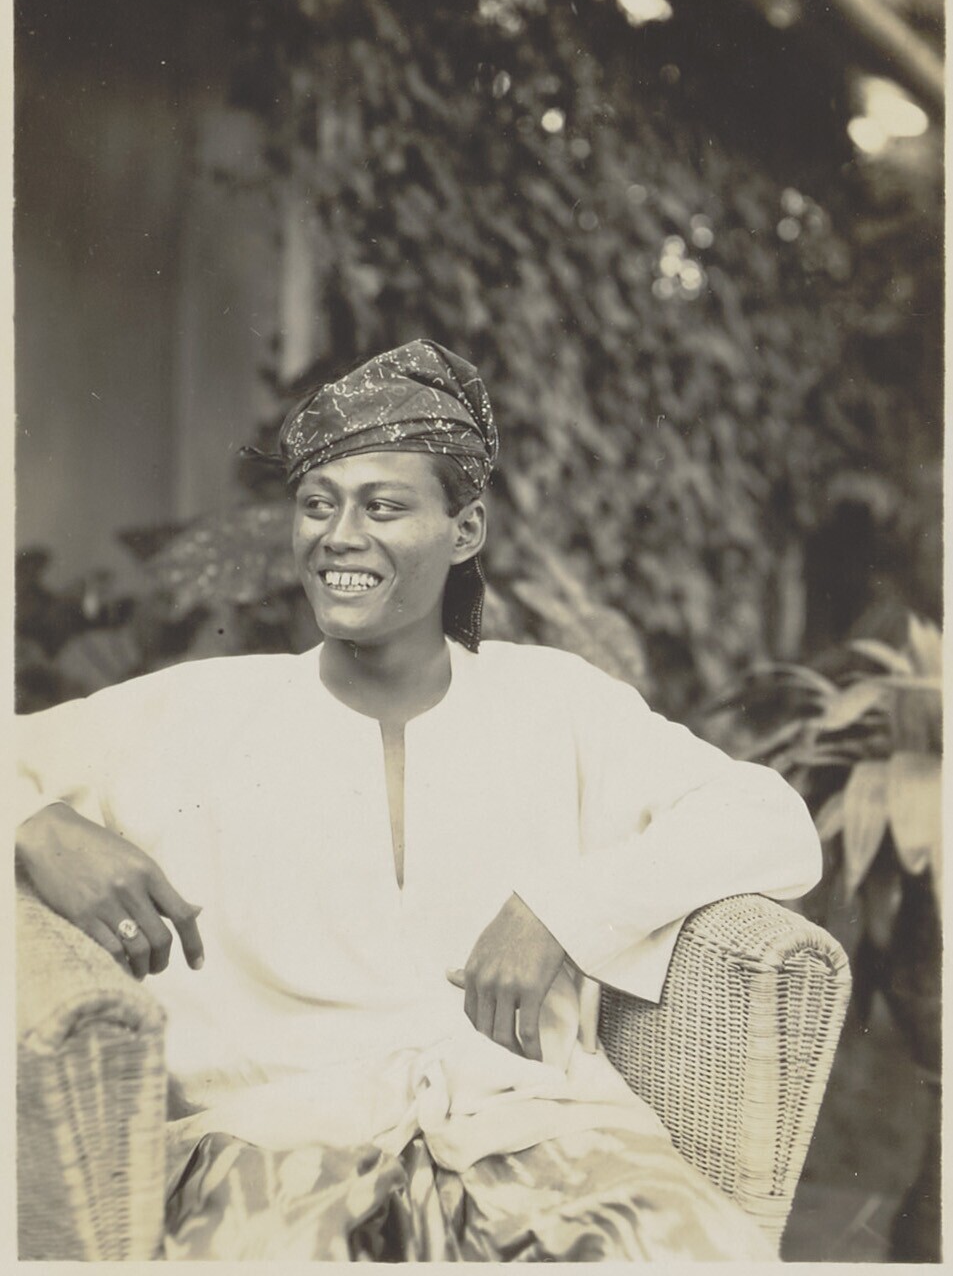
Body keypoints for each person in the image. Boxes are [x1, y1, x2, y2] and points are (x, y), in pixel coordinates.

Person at [15, 339, 821, 1261]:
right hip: (273, 1144)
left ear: (464, 530)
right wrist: (38, 826)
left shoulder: (554, 703)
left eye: (383, 506)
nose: (337, 535)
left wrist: (559, 912)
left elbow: (769, 821)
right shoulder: (198, 711)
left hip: (525, 1134)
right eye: (317, 503)